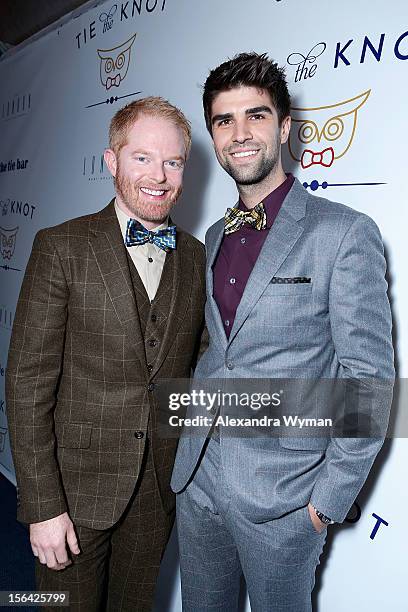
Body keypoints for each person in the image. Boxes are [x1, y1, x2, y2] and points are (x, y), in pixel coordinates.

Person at [171, 53, 394, 611]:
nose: (240, 134)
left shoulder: (343, 233)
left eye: (257, 116)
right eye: (224, 121)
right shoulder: (216, 235)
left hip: (286, 498)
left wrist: (326, 501)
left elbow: (368, 379)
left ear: (285, 127)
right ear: (213, 136)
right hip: (199, 482)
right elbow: (218, 350)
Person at [6, 96, 206, 611]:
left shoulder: (198, 256)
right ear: (112, 161)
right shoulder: (62, 246)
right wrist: (43, 506)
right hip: (71, 496)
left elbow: (201, 368)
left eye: (173, 161)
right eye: (142, 157)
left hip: (156, 495)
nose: (158, 176)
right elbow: (27, 384)